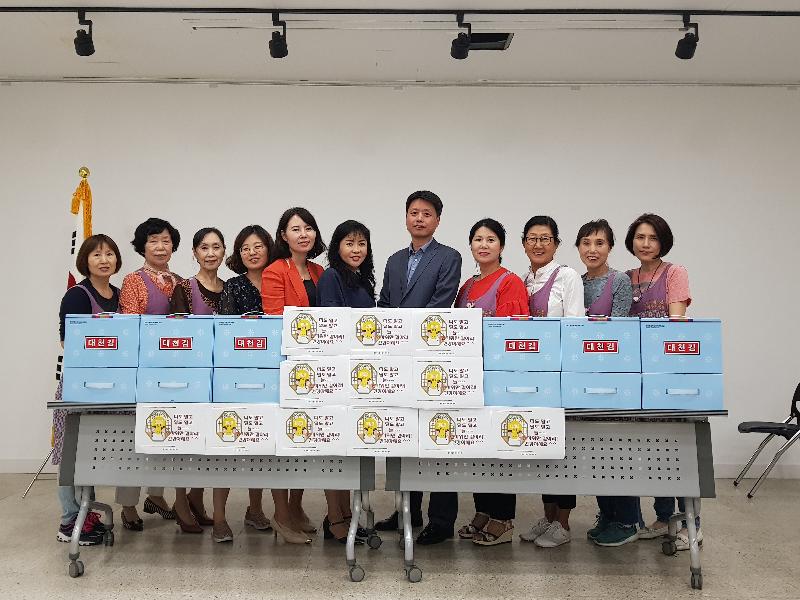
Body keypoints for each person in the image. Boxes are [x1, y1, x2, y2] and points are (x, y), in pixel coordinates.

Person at [373, 190, 462, 546]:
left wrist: (405, 334)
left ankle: (441, 520)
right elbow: (384, 303)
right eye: (414, 212)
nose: (419, 218)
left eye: (426, 213)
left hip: (432, 357)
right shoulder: (394, 260)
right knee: (404, 436)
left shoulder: (449, 256)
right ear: (406, 217)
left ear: (437, 220)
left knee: (438, 438)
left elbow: (441, 302)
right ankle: (407, 511)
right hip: (397, 360)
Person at [625, 213, 697, 550]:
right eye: (640, 237)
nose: (645, 243)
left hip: (669, 371)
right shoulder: (627, 278)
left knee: (678, 450)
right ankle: (664, 517)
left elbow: (676, 323)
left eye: (653, 238)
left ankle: (691, 524)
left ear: (663, 242)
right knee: (653, 450)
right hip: (638, 374)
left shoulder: (674, 272)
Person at [454, 219, 529, 546]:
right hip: (472, 376)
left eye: (491, 240)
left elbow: (512, 335)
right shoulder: (467, 287)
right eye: (478, 239)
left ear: (501, 246)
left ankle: (503, 518)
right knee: (477, 446)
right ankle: (483, 511)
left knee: (500, 447)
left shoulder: (509, 282)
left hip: (498, 376)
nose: (483, 245)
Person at [518, 215, 584, 548]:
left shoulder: (567, 276)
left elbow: (575, 326)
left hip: (558, 372)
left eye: (545, 238)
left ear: (556, 244)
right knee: (543, 446)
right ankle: (547, 517)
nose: (538, 244)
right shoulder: (524, 280)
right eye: (532, 238)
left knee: (562, 450)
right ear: (523, 244)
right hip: (533, 373)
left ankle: (563, 523)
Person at [261, 207, 326, 544]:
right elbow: (275, 320)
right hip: (286, 364)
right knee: (283, 440)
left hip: (315, 365)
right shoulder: (275, 271)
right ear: (283, 236)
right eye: (296, 229)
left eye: (308, 228)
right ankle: (281, 514)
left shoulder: (318, 271)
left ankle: (296, 507)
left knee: (305, 437)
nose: (303, 234)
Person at [574, 219, 639, 547]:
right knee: (595, 450)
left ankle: (628, 520)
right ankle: (608, 515)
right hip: (583, 375)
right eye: (586, 243)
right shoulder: (576, 282)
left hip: (612, 375)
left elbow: (620, 332)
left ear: (610, 247)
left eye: (599, 243)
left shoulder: (619, 281)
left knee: (617, 448)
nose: (592, 249)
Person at [54, 234, 122, 545]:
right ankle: (69, 521)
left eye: (109, 254)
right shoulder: (77, 296)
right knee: (72, 454)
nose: (104, 260)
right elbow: (68, 343)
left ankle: (86, 513)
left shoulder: (119, 295)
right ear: (85, 260)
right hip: (80, 386)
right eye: (97, 255)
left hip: (109, 386)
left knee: (90, 452)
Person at [116, 217, 182, 530]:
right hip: (143, 369)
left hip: (175, 369)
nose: (160, 246)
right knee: (135, 439)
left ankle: (156, 495)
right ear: (142, 246)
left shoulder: (180, 281)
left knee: (166, 432)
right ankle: (128, 505)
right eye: (153, 240)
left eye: (166, 240)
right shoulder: (133, 280)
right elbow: (129, 328)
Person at [213, 225, 276, 543]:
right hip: (238, 372)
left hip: (271, 372)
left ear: (269, 248)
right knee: (227, 444)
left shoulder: (279, 279)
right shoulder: (234, 286)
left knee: (260, 443)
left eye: (258, 246)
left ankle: (255, 509)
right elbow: (227, 332)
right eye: (245, 248)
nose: (252, 252)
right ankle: (219, 518)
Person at [317, 220, 376, 544]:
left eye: (361, 244)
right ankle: (334, 517)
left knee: (348, 449)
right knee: (334, 448)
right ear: (337, 247)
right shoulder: (332, 277)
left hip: (360, 372)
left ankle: (345, 514)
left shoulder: (363, 279)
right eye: (349, 243)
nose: (356, 249)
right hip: (338, 370)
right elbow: (332, 325)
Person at [168, 228, 226, 535]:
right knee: (186, 440)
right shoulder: (184, 288)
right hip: (189, 374)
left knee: (211, 441)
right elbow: (178, 336)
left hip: (219, 376)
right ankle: (180, 502)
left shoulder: (228, 288)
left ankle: (197, 498)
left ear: (224, 251)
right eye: (204, 247)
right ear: (194, 253)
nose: (211, 253)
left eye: (216, 247)